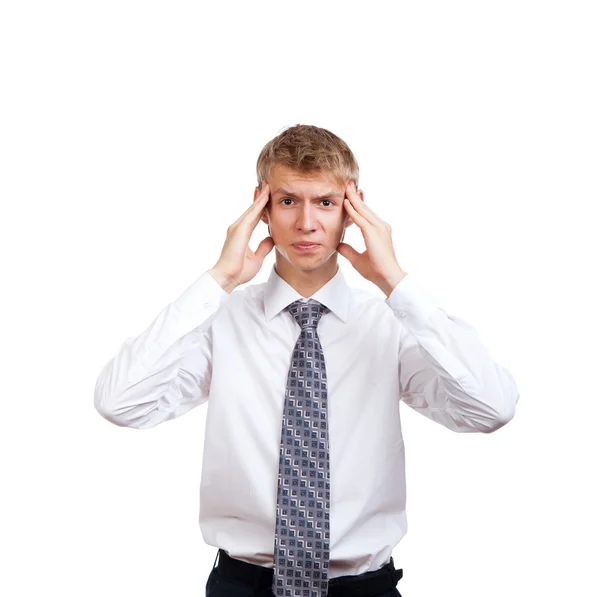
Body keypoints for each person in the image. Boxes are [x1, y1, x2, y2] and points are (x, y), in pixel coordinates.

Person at [94, 124, 520, 597]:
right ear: (261, 209)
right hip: (243, 587)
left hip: (364, 590)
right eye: (288, 201)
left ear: (353, 210)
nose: (306, 223)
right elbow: (120, 402)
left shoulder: (393, 324)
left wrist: (397, 282)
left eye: (326, 202)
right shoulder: (221, 320)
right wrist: (218, 280)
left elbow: (492, 408)